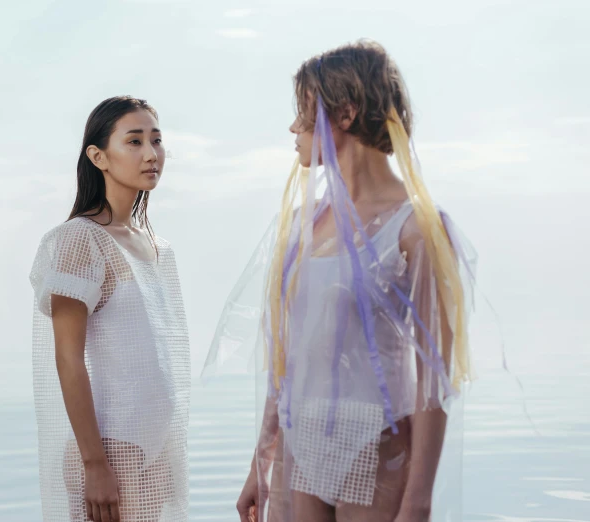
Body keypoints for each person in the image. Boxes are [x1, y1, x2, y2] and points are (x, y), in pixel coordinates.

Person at [203, 40, 477, 522]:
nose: (293, 127)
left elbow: (433, 378)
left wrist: (419, 498)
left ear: (345, 113)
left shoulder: (414, 228)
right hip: (297, 446)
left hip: (377, 444)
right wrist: (259, 463)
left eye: (304, 112)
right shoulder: (304, 226)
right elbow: (285, 360)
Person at [30, 96, 190, 522]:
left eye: (156, 141)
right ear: (98, 156)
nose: (151, 154)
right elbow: (68, 358)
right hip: (110, 449)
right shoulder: (79, 240)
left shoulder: (157, 247)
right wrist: (94, 464)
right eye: (134, 142)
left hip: (155, 446)